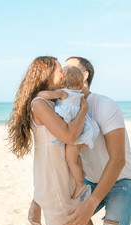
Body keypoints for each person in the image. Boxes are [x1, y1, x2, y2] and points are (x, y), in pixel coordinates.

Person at [28, 57, 131, 225]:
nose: (63, 72)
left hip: (119, 181)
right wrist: (38, 201)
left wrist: (91, 203)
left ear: (84, 75)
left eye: (68, 68)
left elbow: (118, 159)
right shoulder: (59, 105)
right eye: (62, 69)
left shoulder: (105, 105)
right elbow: (52, 158)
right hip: (86, 181)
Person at [8, 56, 94, 225]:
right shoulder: (39, 104)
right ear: (47, 75)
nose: (63, 73)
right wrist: (84, 110)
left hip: (66, 182)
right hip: (56, 187)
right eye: (59, 70)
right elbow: (70, 136)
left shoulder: (56, 101)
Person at [37, 66, 99, 200]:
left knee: (70, 159)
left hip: (76, 132)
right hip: (84, 129)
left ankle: (79, 184)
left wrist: (39, 94)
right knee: (75, 156)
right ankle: (81, 172)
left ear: (63, 82)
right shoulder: (79, 94)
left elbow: (47, 95)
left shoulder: (63, 93)